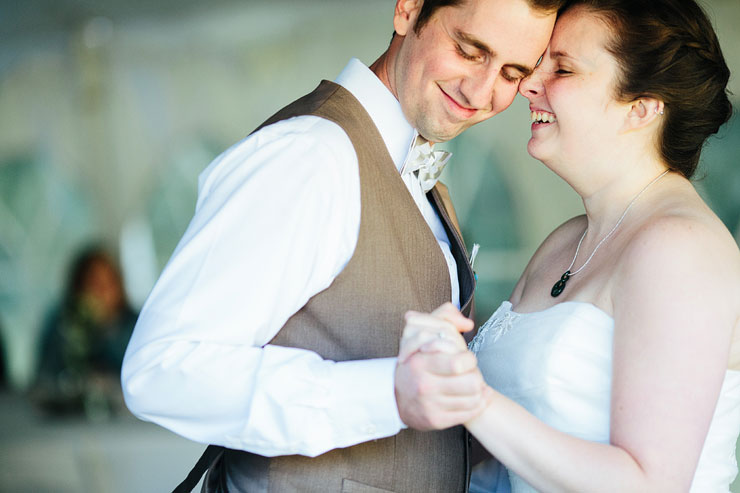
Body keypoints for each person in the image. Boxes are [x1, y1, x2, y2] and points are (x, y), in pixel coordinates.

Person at [121, 0, 563, 491]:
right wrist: (387, 394)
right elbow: (161, 369)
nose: (481, 92)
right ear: (408, 11)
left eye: (511, 73)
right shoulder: (310, 155)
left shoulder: (423, 180)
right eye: (469, 50)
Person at [397, 0, 740, 490]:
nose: (529, 85)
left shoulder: (680, 248)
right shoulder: (567, 240)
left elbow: (652, 484)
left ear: (640, 108)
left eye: (563, 68)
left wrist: (476, 402)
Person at [33, 245, 137, 418]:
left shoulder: (134, 325)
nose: (102, 293)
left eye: (108, 284)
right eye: (94, 285)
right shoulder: (62, 324)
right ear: (78, 289)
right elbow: (45, 378)